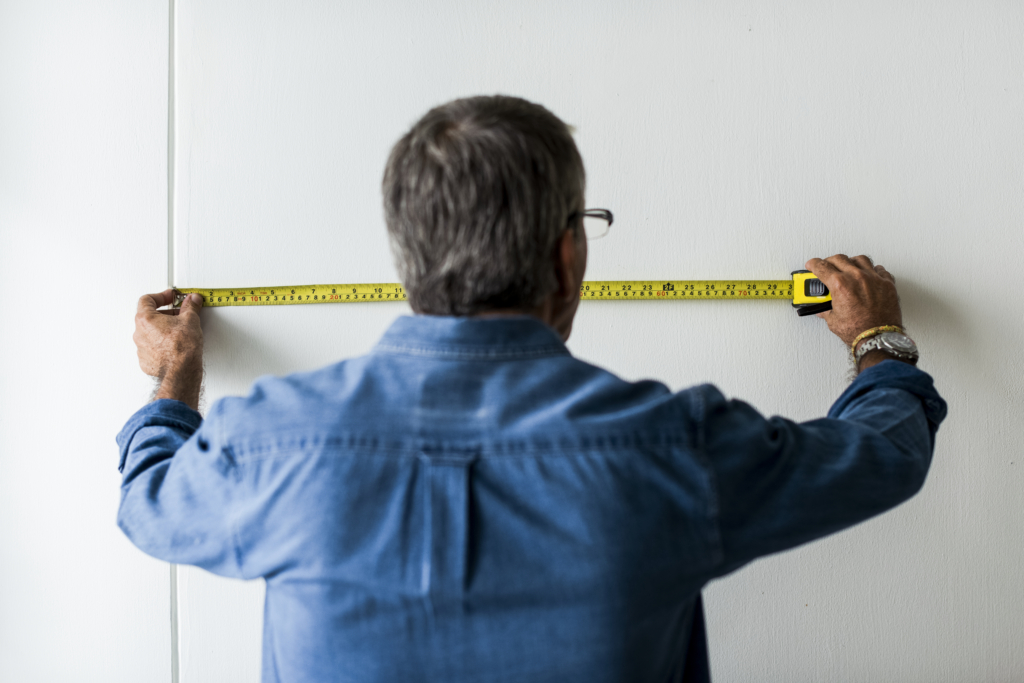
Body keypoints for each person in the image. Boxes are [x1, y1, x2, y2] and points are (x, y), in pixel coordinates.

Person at [119, 95, 946, 682]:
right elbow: (883, 455)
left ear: (408, 254)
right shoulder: (675, 447)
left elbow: (148, 497)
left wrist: (175, 372)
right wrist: (878, 340)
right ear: (567, 255)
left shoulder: (269, 442)